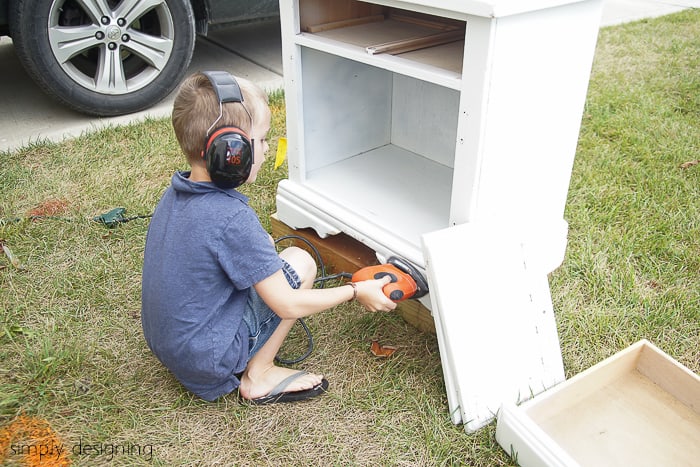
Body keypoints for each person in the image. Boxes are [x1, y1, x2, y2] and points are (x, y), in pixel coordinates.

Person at [141, 71, 396, 405]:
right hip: (207, 360)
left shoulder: (177, 192)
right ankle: (258, 374)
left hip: (171, 347)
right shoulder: (233, 219)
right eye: (260, 140)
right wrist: (355, 291)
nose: (265, 149)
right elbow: (286, 304)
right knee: (300, 263)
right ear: (229, 150)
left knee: (274, 268)